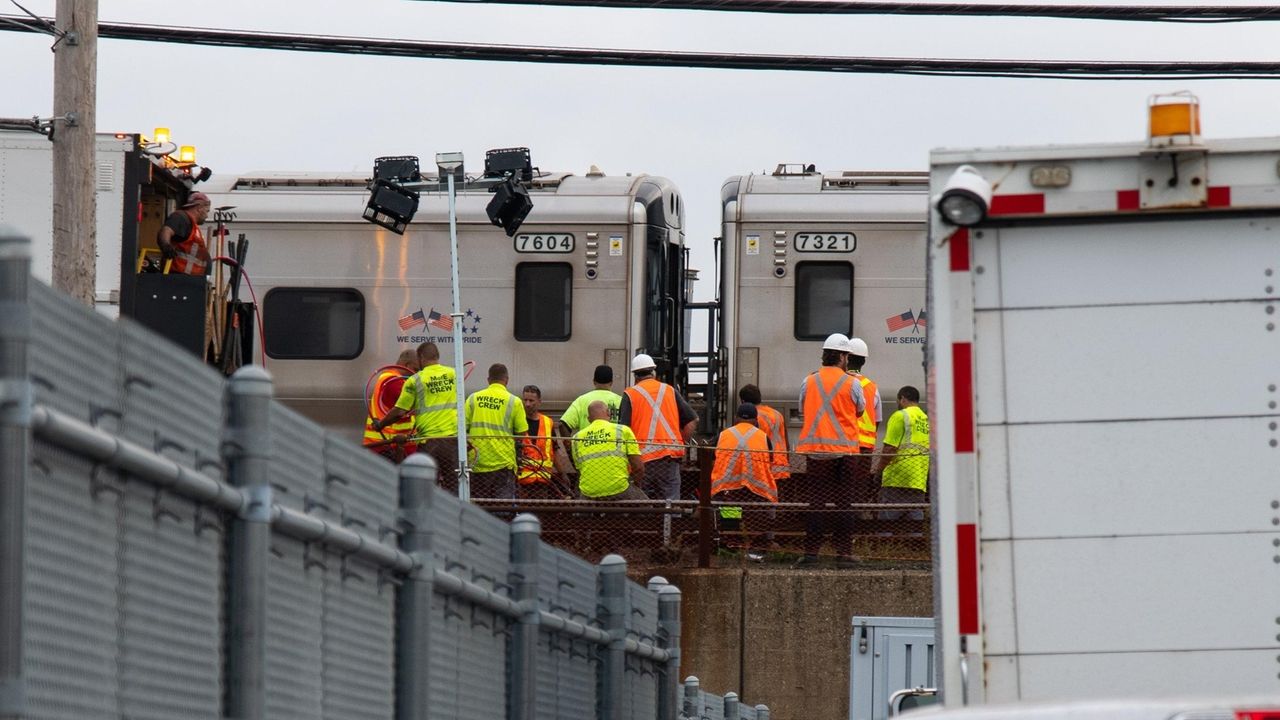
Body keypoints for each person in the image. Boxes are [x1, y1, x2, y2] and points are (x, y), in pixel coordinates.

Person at [795, 333, 865, 565]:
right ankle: (844, 554)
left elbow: (803, 408)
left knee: (816, 502)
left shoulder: (809, 381)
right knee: (845, 503)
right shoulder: (853, 383)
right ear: (843, 357)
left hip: (816, 452)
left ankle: (811, 553)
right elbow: (860, 411)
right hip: (845, 453)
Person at [374, 342, 459, 493]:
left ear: (420, 357)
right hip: (452, 442)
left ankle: (426, 515)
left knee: (423, 488)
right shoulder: (454, 374)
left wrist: (380, 425)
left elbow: (399, 411)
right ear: (437, 356)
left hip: (429, 443)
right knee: (454, 488)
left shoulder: (415, 380)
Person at [620, 353, 697, 500]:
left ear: (635, 375)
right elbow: (692, 421)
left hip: (642, 461)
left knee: (642, 505)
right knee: (671, 504)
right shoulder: (669, 390)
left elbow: (623, 430)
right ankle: (671, 523)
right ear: (653, 372)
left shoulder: (630, 394)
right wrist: (682, 443)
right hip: (669, 459)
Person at [711, 403, 778, 541]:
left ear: (736, 418)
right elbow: (770, 461)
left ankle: (730, 544)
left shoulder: (723, 435)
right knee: (756, 519)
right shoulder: (763, 437)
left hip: (728, 487)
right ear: (756, 420)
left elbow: (710, 459)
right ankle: (757, 546)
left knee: (730, 515)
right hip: (756, 488)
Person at [463, 363, 528, 500]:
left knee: (479, 505)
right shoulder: (514, 401)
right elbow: (522, 432)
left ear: (488, 380)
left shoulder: (473, 398)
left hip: (477, 460)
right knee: (502, 506)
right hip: (503, 461)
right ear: (507, 380)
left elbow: (462, 427)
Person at [871, 385, 930, 520]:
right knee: (915, 525)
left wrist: (879, 472)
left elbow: (889, 449)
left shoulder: (900, 416)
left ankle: (886, 542)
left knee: (886, 523)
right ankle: (916, 541)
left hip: (897, 478)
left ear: (902, 399)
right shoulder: (926, 420)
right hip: (918, 479)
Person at [570, 400, 647, 501]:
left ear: (589, 419)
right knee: (648, 507)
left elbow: (579, 468)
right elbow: (638, 467)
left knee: (581, 510)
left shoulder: (577, 437)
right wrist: (635, 484)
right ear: (608, 413)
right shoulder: (622, 430)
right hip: (619, 488)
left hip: (589, 492)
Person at [844, 337, 883, 513]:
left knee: (841, 489)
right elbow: (877, 420)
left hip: (844, 445)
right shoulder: (872, 387)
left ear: (845, 357)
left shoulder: (840, 383)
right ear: (864, 361)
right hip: (865, 448)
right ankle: (857, 526)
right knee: (859, 489)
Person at [362, 348, 421, 462]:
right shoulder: (393, 381)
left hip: (391, 445)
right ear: (407, 365)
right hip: (386, 445)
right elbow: (405, 408)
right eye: (416, 370)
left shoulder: (392, 378)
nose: (417, 374)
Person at [517, 384, 566, 499]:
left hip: (542, 481)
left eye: (531, 400)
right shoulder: (517, 421)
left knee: (541, 513)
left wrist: (563, 474)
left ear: (539, 402)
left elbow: (554, 451)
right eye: (525, 400)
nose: (527, 404)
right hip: (521, 481)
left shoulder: (548, 422)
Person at [738, 384, 791, 489]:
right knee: (779, 501)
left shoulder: (751, 418)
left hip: (762, 469)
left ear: (743, 401)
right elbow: (786, 442)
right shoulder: (777, 414)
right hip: (781, 467)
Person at [156, 191, 212, 276]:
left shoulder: (193, 227)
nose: (207, 216)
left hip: (189, 280)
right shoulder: (182, 218)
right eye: (207, 211)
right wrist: (165, 246)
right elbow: (166, 231)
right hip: (176, 278)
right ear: (199, 208)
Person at [559, 364, 622, 436]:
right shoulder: (620, 401)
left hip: (586, 446)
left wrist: (569, 445)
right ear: (611, 383)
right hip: (614, 446)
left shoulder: (581, 400)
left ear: (594, 382)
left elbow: (563, 424)